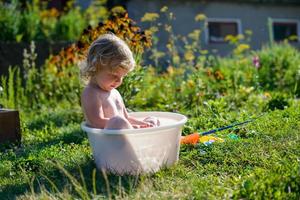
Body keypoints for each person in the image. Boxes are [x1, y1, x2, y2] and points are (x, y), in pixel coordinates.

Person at [80, 33, 160, 129]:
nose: (119, 80)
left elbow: (126, 118)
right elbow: (96, 122)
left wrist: (142, 124)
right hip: (108, 140)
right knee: (117, 121)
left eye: (123, 76)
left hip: (126, 133)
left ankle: (152, 134)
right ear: (95, 67)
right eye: (114, 75)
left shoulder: (115, 93)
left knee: (152, 119)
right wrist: (129, 126)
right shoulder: (91, 93)